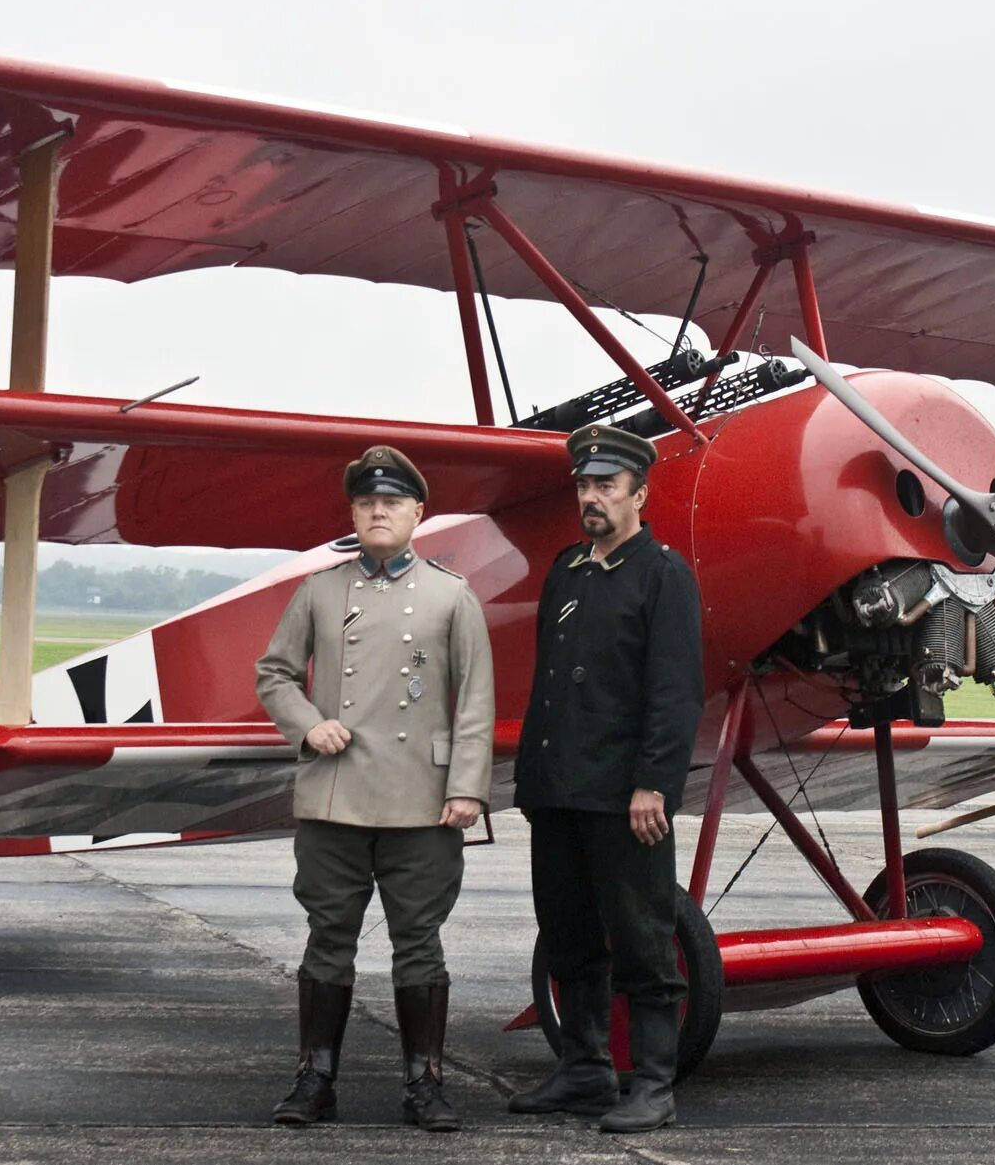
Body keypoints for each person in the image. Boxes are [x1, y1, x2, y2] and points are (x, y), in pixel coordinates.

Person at [256, 444, 494, 1132]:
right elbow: (273, 673)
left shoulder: (453, 595)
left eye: (392, 502)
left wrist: (468, 787)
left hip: (422, 801)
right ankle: (315, 1078)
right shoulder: (320, 591)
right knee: (329, 936)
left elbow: (475, 698)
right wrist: (308, 724)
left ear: (418, 513)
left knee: (419, 940)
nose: (379, 510)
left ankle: (426, 1083)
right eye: (367, 502)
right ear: (354, 513)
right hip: (335, 796)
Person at [508, 423, 705, 1134]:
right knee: (567, 933)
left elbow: (675, 690)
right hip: (558, 788)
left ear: (639, 494)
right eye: (585, 485)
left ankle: (653, 1080)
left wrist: (655, 780)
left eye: (607, 486)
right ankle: (585, 1067)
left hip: (626, 798)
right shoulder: (568, 569)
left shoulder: (663, 574)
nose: (592, 497)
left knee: (643, 937)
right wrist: (534, 780)